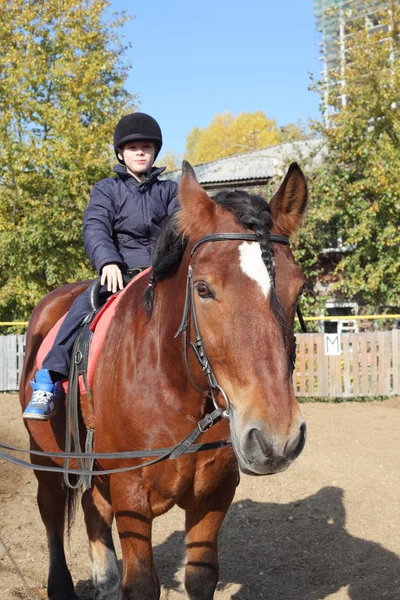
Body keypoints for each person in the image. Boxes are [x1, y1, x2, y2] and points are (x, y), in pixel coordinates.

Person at [23, 113, 179, 420]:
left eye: (146, 147)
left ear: (155, 152)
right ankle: (48, 380)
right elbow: (95, 227)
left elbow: (183, 228)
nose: (140, 152)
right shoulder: (107, 189)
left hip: (164, 273)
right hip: (121, 274)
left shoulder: (171, 191)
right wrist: (108, 261)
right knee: (82, 308)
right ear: (121, 153)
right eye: (133, 147)